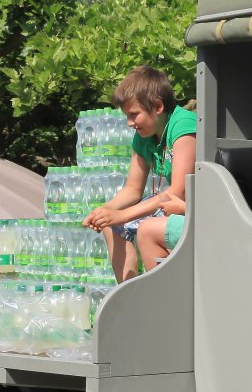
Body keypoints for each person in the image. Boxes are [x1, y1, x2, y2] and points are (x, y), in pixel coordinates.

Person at [82, 67, 195, 282]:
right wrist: (104, 212)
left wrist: (123, 215)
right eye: (127, 116)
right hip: (174, 204)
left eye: (133, 114)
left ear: (158, 106)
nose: (129, 123)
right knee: (111, 225)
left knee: (142, 227)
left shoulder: (183, 126)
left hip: (194, 208)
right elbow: (133, 189)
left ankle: (156, 291)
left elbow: (177, 192)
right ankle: (128, 290)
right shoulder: (144, 136)